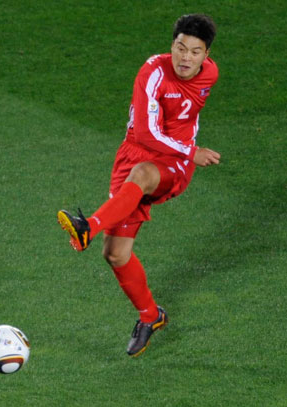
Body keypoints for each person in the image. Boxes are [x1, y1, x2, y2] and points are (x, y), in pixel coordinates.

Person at [57, 14, 220, 356]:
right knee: (115, 253)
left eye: (195, 52)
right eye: (180, 48)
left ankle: (87, 227)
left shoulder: (210, 74)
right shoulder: (152, 72)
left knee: (144, 175)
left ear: (206, 55)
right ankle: (151, 316)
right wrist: (191, 149)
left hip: (173, 162)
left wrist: (189, 152)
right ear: (171, 45)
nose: (186, 58)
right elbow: (146, 133)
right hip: (137, 151)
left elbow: (181, 121)